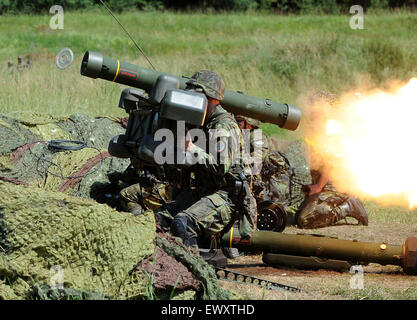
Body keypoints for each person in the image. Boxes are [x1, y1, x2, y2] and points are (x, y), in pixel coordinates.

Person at [154, 70, 257, 248]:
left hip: (226, 197)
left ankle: (193, 270)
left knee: (183, 223)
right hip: (204, 191)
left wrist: (191, 148)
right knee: (159, 219)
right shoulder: (201, 123)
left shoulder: (223, 126)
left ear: (213, 100)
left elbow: (220, 166)